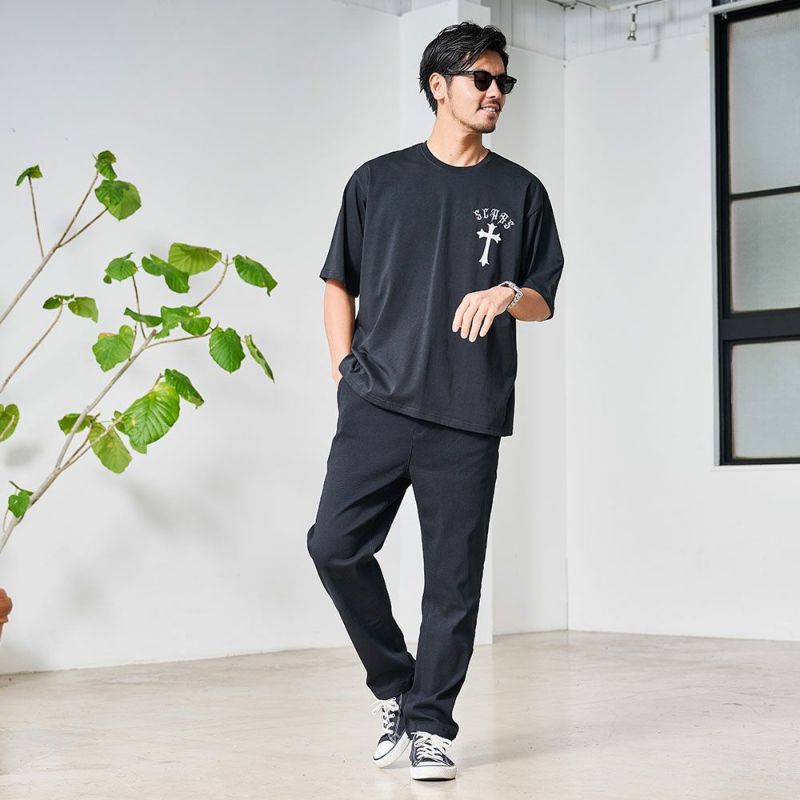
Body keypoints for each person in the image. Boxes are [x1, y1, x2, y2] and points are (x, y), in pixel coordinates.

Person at [306, 20, 565, 782]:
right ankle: (395, 684)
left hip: (467, 414)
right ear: (438, 86)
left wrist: (508, 292)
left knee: (452, 580)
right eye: (481, 79)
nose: (495, 93)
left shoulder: (520, 192)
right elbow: (337, 281)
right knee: (333, 546)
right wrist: (344, 370)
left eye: (502, 81)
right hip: (378, 404)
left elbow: (543, 299)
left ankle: (430, 726)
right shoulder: (376, 182)